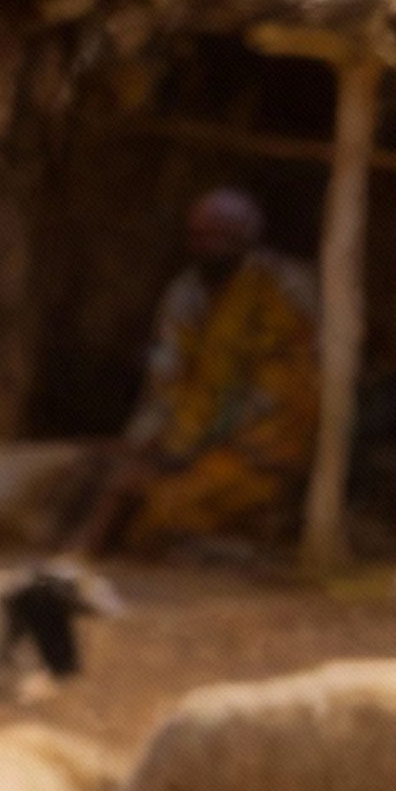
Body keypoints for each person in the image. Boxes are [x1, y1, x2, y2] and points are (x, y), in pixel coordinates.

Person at [75, 187, 320, 558]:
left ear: (243, 239)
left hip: (261, 449)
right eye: (197, 236)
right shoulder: (186, 293)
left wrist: (189, 446)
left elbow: (276, 392)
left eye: (215, 236)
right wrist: (146, 442)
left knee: (162, 512)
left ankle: (238, 548)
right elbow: (165, 383)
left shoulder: (283, 289)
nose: (203, 246)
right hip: (193, 442)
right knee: (116, 482)